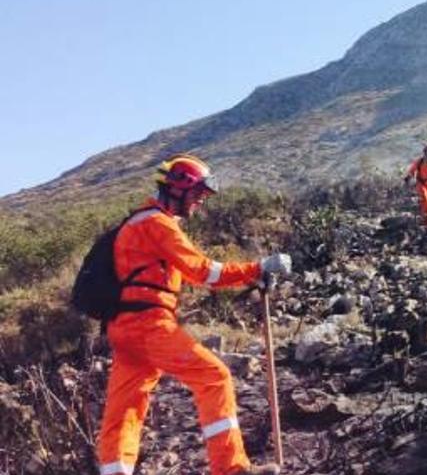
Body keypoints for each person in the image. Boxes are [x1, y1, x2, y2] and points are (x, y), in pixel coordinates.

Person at [97, 154, 288, 475]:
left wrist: (248, 275)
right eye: (197, 193)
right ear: (177, 188)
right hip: (148, 325)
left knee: (126, 410)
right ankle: (230, 469)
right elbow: (204, 272)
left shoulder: (138, 222)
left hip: (123, 327)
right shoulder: (156, 223)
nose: (201, 201)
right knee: (215, 377)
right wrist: (258, 267)